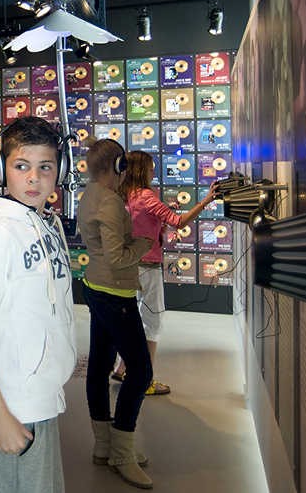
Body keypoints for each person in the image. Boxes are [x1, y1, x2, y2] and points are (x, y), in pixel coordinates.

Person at [0, 116, 74, 493]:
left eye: (45, 167)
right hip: (15, 405)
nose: (34, 178)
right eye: (22, 166)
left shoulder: (39, 220)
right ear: (1, 169)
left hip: (40, 396)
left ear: (60, 172)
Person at [77, 138, 154, 489]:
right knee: (139, 370)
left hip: (96, 288)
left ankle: (105, 445)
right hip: (115, 293)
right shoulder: (109, 203)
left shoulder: (90, 194)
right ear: (119, 166)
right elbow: (118, 257)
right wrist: (145, 243)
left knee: (99, 366)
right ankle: (122, 450)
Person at [111, 151, 218, 395]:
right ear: (141, 171)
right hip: (147, 267)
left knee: (133, 319)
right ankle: (145, 381)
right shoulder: (147, 196)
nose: (153, 172)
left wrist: (163, 212)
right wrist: (206, 201)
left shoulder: (125, 195)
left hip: (128, 265)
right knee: (153, 323)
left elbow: (142, 221)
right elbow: (178, 222)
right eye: (150, 167)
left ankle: (121, 368)